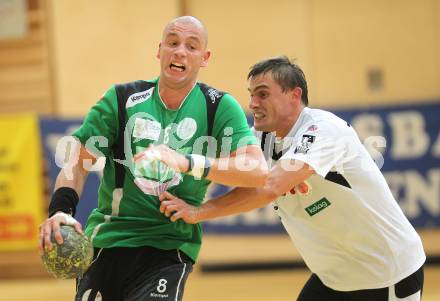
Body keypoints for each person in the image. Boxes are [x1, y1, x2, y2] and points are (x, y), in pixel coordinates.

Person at [159, 56, 426, 301]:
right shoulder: (261, 138)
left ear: (294, 95)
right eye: (251, 95)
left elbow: (270, 186)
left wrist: (197, 203)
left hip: (387, 272)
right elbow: (233, 171)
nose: (253, 104)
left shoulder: (323, 130)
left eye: (263, 94)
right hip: (335, 278)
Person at [39, 16, 268, 301]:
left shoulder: (218, 106)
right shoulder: (121, 98)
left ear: (205, 58)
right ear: (159, 50)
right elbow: (78, 162)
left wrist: (186, 164)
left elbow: (257, 171)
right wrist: (61, 210)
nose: (180, 51)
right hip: (108, 242)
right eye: (172, 43)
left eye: (191, 46)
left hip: (168, 246)